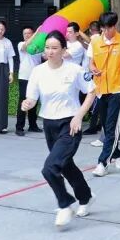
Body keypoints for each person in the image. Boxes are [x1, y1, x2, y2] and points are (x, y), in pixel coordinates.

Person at [21, 30, 97, 229]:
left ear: (64, 50)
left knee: (50, 168)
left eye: (55, 48)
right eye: (47, 48)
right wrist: (27, 103)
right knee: (65, 165)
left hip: (70, 124)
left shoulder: (74, 70)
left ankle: (64, 204)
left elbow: (91, 91)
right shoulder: (38, 71)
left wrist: (79, 116)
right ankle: (86, 197)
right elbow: (32, 98)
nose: (50, 51)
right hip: (49, 124)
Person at [88, 11, 120, 176]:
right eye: (104, 28)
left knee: (112, 126)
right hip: (100, 89)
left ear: (115, 26)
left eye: (109, 28)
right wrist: (93, 68)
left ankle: (103, 162)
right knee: (107, 126)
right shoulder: (95, 41)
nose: (106, 31)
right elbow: (91, 62)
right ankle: (117, 154)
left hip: (117, 89)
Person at [15, 27, 43, 135]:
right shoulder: (21, 44)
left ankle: (33, 125)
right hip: (24, 77)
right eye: (25, 33)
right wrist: (36, 33)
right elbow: (25, 47)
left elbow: (45, 56)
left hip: (36, 77)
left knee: (34, 100)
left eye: (29, 33)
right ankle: (19, 127)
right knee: (23, 100)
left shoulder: (38, 46)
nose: (27, 35)